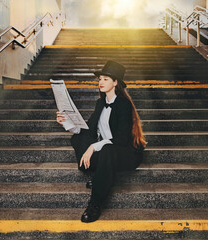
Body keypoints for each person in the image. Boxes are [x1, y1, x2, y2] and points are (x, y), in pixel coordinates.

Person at [56, 60, 147, 223]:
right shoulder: (100, 103)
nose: (101, 82)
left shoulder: (123, 105)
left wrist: (93, 146)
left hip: (125, 154)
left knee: (105, 150)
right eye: (100, 79)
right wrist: (67, 123)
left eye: (106, 79)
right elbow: (89, 130)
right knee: (78, 137)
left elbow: (121, 139)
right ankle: (99, 175)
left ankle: (95, 204)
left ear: (115, 82)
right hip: (107, 153)